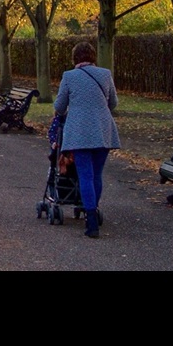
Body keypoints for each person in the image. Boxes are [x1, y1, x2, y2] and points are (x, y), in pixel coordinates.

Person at [52, 41, 120, 238]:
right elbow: (113, 102)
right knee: (96, 174)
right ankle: (93, 209)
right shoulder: (105, 74)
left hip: (79, 131)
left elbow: (59, 105)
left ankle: (91, 221)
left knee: (85, 174)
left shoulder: (69, 76)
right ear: (93, 57)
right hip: (103, 129)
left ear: (75, 58)